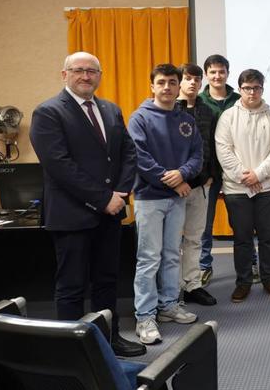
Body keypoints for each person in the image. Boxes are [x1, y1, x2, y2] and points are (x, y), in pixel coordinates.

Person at [29, 51, 146, 357]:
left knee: (107, 281)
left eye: (92, 71)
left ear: (99, 75)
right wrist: (103, 198)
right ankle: (71, 351)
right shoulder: (48, 112)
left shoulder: (110, 109)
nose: (85, 76)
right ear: (64, 74)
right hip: (71, 216)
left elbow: (128, 154)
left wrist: (120, 193)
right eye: (78, 70)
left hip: (110, 214)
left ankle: (109, 340)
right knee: (71, 285)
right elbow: (59, 165)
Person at [128, 63, 202, 345]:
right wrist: (172, 179)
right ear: (153, 86)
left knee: (173, 254)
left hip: (176, 200)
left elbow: (197, 154)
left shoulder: (187, 120)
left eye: (173, 82)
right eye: (162, 82)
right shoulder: (139, 118)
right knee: (149, 258)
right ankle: (145, 316)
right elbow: (141, 158)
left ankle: (169, 305)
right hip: (149, 199)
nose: (168, 87)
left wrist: (183, 174)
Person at [215, 68, 270, 303]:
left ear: (262, 90)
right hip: (237, 189)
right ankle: (243, 282)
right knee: (242, 238)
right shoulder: (228, 117)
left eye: (256, 88)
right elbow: (223, 150)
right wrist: (244, 177)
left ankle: (269, 278)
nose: (252, 92)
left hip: (267, 188)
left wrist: (258, 175)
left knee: (267, 237)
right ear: (240, 90)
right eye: (247, 88)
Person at [175, 63, 218, 306]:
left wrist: (210, 175)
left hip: (201, 185)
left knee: (194, 239)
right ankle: (171, 290)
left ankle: (192, 285)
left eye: (196, 79)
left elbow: (211, 145)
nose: (192, 83)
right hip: (172, 188)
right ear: (180, 81)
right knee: (170, 244)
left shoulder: (208, 111)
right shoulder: (169, 109)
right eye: (188, 78)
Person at [197, 54, 242, 286]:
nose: (217, 76)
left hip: (237, 170)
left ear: (227, 73)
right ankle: (204, 266)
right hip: (210, 173)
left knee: (242, 222)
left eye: (221, 71)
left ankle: (249, 262)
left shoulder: (239, 98)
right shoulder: (198, 101)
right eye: (212, 72)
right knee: (205, 223)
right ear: (206, 74)